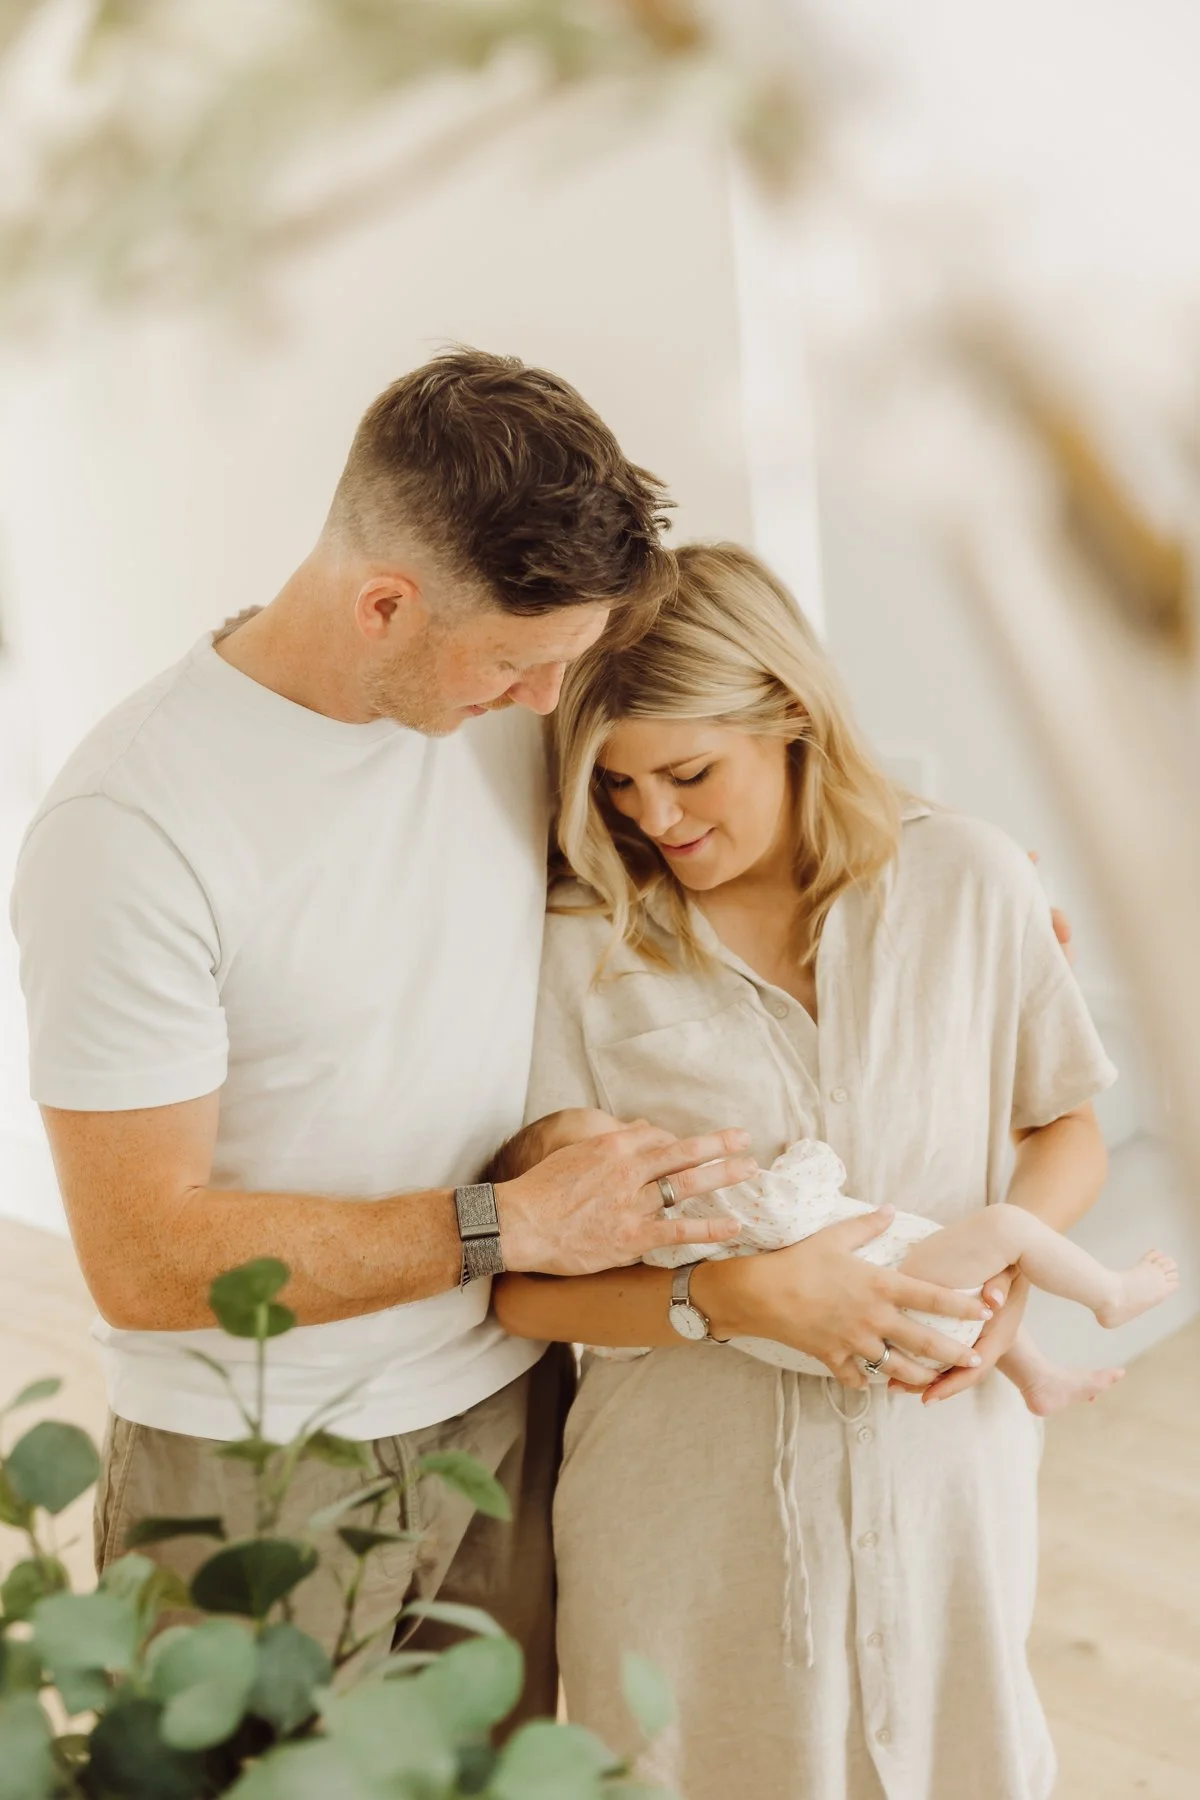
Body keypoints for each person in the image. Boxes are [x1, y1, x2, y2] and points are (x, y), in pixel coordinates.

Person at [8, 350, 766, 1704]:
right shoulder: (130, 833)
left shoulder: (485, 706)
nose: (549, 706)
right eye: (522, 665)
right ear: (384, 603)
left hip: (506, 1412)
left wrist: (932, 887)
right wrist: (508, 1222)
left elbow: (744, 747)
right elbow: (141, 1256)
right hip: (253, 1466)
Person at [492, 540, 1122, 1798]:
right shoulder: (576, 949)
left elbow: (1067, 1125)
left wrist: (1007, 1263)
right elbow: (524, 1291)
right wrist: (729, 1301)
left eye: (687, 773)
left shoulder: (973, 883)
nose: (655, 821)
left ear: (787, 713)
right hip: (687, 1527)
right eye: (616, 788)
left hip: (948, 1486)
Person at [489, 1109, 1176, 1415]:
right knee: (1005, 1229)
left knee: (986, 1290)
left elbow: (621, 1343)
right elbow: (783, 1208)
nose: (639, 1130)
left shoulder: (645, 1257)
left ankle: (1040, 1377)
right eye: (620, 1137)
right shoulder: (706, 1201)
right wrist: (810, 1157)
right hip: (898, 1287)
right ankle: (1110, 1295)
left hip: (864, 1340)